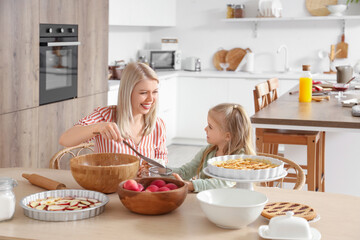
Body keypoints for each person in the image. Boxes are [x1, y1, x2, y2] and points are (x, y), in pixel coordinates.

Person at [59, 62, 168, 174]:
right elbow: (65, 139)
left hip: (142, 190)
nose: (150, 99)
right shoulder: (104, 116)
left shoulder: (158, 125)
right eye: (143, 93)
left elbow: (162, 167)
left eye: (155, 92)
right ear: (127, 92)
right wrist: (98, 127)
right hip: (108, 188)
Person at [172, 103, 255, 192]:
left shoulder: (241, 157)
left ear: (227, 136)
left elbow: (223, 182)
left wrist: (192, 185)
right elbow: (185, 171)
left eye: (210, 127)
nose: (205, 129)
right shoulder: (207, 151)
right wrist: (160, 170)